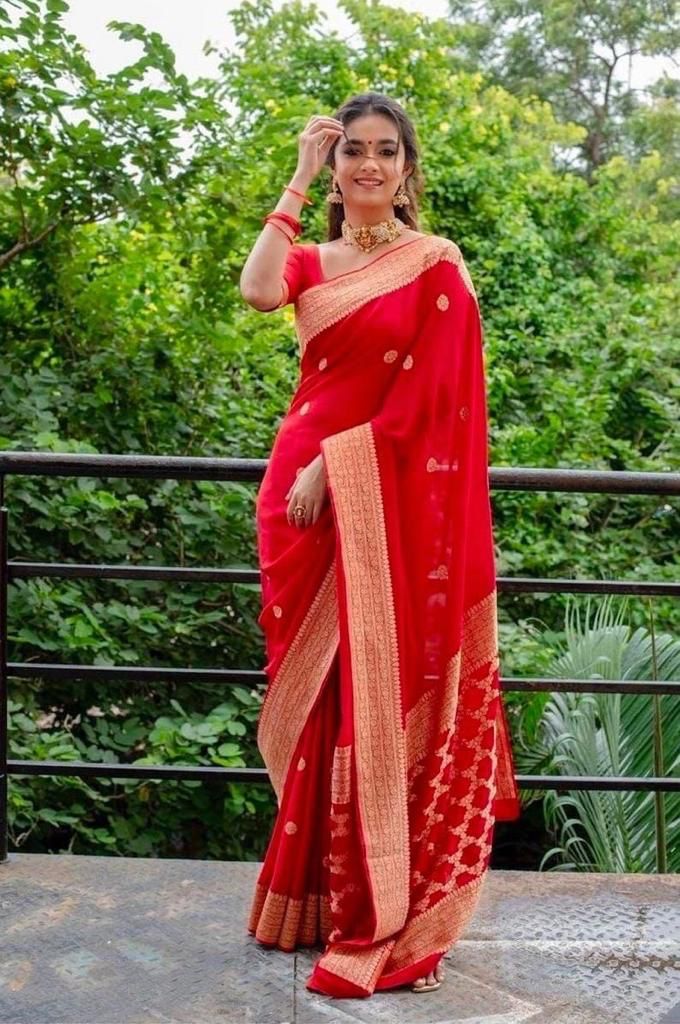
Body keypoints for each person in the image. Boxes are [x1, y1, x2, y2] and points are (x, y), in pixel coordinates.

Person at [239, 91, 520, 1000]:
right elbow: (253, 290)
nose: (366, 165)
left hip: (377, 500)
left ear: (407, 170)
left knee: (376, 697)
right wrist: (294, 180)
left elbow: (441, 399)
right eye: (352, 150)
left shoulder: (435, 265)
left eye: (384, 151)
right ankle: (308, 901)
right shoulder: (314, 262)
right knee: (317, 702)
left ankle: (381, 903)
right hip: (300, 506)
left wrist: (342, 461)